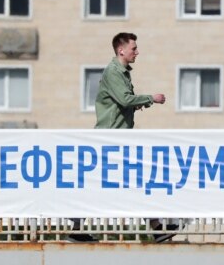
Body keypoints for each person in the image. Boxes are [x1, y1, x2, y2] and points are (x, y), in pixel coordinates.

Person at [68, 32, 178, 243]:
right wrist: (151, 99)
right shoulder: (114, 72)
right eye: (134, 48)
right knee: (110, 182)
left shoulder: (122, 72)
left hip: (117, 138)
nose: (137, 52)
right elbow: (125, 99)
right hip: (109, 138)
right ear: (121, 50)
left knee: (131, 180)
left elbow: (124, 102)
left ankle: (155, 227)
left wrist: (140, 103)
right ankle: (76, 227)